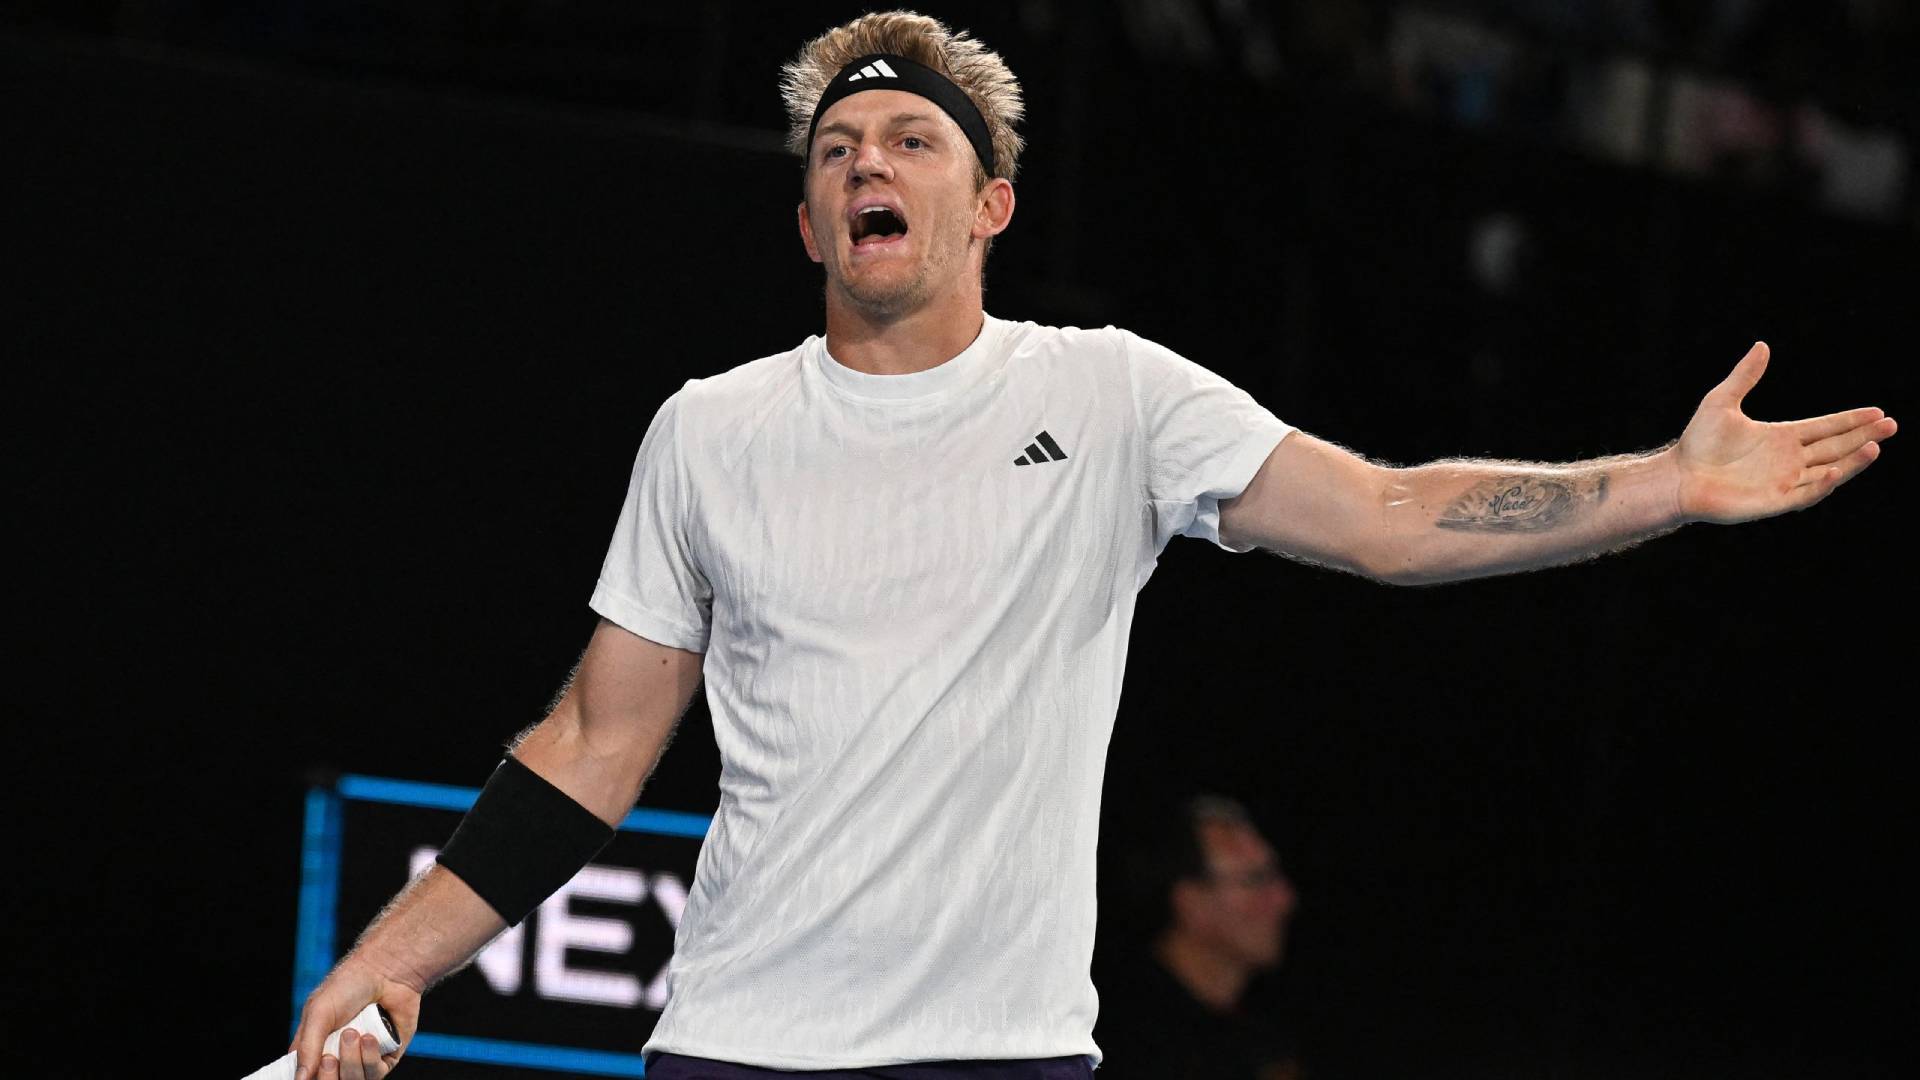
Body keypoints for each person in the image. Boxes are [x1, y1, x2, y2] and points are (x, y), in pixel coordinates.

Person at [286, 11, 1895, 1080]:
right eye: (838, 152)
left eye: (910, 140)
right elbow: (592, 743)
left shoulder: (1114, 396)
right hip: (739, 1047)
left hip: (1004, 1054)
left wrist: (1662, 486)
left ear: (989, 205)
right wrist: (394, 960)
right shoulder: (709, 431)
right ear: (808, 222)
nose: (867, 163)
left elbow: (1390, 518)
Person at [1094, 796, 1304, 1079]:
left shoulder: (1261, 1036)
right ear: (1191, 902)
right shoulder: (1124, 1043)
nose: (1284, 899)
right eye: (1255, 880)